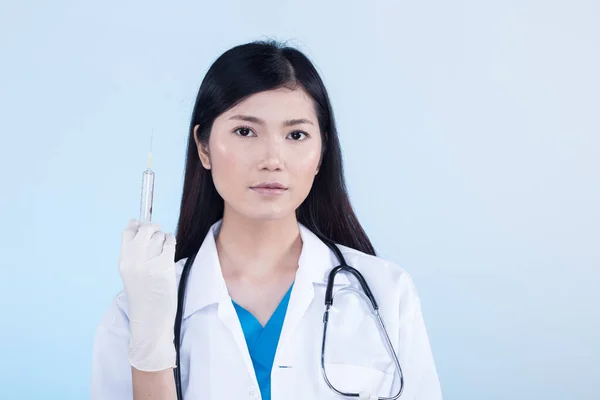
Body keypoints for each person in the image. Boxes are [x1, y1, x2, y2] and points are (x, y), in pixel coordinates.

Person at [91, 40, 442, 400]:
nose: (272, 158)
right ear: (204, 147)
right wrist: (151, 350)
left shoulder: (386, 293)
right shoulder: (140, 312)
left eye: (296, 135)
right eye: (245, 132)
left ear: (321, 152)